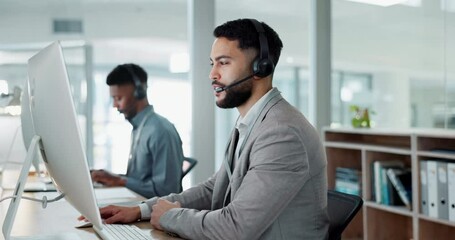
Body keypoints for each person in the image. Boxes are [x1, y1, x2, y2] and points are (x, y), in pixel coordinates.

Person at [85, 19, 329, 239]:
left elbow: (237, 227)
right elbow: (214, 189)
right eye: (212, 64)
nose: (212, 74)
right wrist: (141, 210)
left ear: (260, 68)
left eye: (223, 63)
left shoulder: (282, 133)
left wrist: (169, 216)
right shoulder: (251, 122)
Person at [90, 63, 184, 198]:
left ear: (139, 92)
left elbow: (166, 191)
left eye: (119, 98)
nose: (115, 105)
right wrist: (113, 178)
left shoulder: (160, 131)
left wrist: (120, 181)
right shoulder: (139, 128)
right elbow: (141, 180)